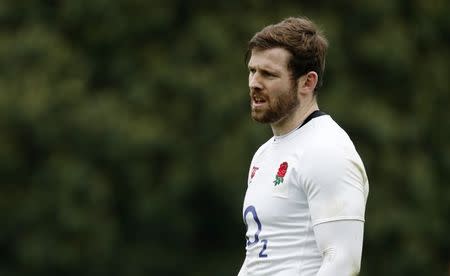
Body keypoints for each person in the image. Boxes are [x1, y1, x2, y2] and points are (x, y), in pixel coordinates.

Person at [237, 17, 369, 276]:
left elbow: (342, 262)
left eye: (269, 74)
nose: (254, 82)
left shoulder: (326, 150)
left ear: (307, 82)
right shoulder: (263, 155)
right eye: (253, 71)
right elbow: (258, 260)